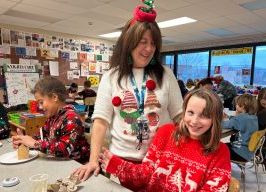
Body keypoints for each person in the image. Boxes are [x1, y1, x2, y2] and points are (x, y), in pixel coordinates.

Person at [72, 0, 183, 180]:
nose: (149, 49)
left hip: (160, 162)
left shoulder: (166, 74)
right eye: (142, 42)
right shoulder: (112, 76)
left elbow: (180, 118)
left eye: (153, 43)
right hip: (120, 162)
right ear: (129, 43)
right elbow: (100, 123)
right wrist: (93, 160)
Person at [99, 89, 231, 192]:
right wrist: (120, 167)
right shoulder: (166, 132)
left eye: (204, 116)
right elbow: (147, 171)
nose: (194, 121)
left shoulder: (221, 152)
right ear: (184, 111)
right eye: (190, 113)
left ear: (215, 118)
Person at [12, 77, 90, 163]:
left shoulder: (71, 118)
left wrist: (34, 143)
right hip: (60, 164)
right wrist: (24, 141)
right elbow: (41, 136)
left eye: (41, 102)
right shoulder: (52, 117)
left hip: (77, 166)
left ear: (54, 97)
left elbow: (64, 150)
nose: (40, 107)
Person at [222, 94, 258, 161]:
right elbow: (241, 121)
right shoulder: (254, 117)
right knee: (221, 146)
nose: (235, 106)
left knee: (214, 148)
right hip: (248, 153)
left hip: (238, 152)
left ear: (243, 107)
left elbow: (223, 125)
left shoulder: (240, 119)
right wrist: (230, 117)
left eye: (237, 104)